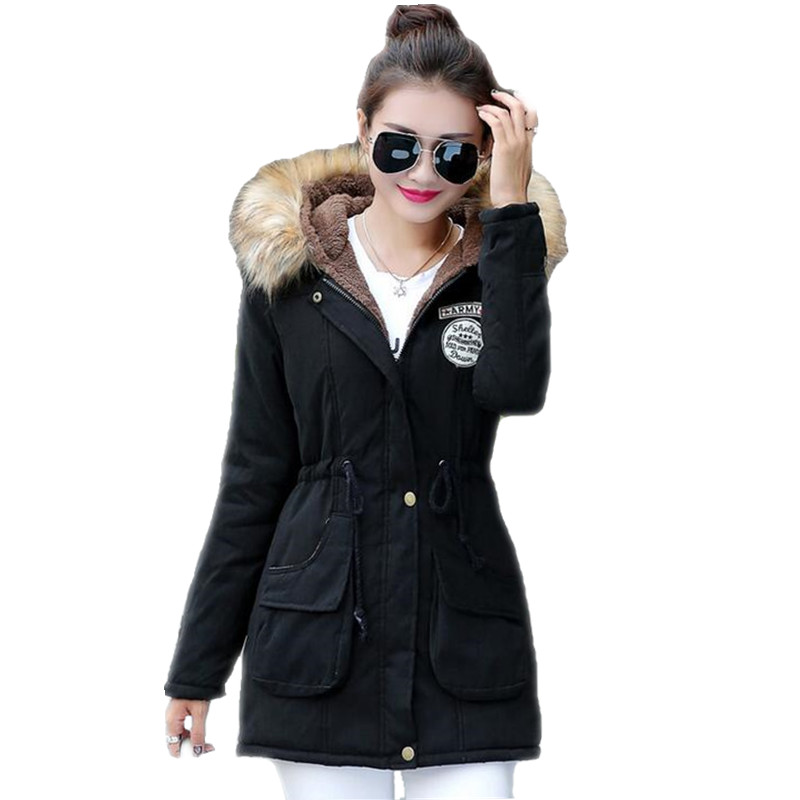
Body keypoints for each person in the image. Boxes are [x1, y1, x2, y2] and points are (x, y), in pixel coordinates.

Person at [163, 4, 568, 799]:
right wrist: (198, 669)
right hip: (318, 646)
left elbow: (514, 389)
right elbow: (254, 477)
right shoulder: (290, 281)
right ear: (361, 129)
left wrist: (511, 210)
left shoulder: (496, 268)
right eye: (399, 145)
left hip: (463, 649)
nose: (424, 172)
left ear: (485, 152)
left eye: (455, 152)